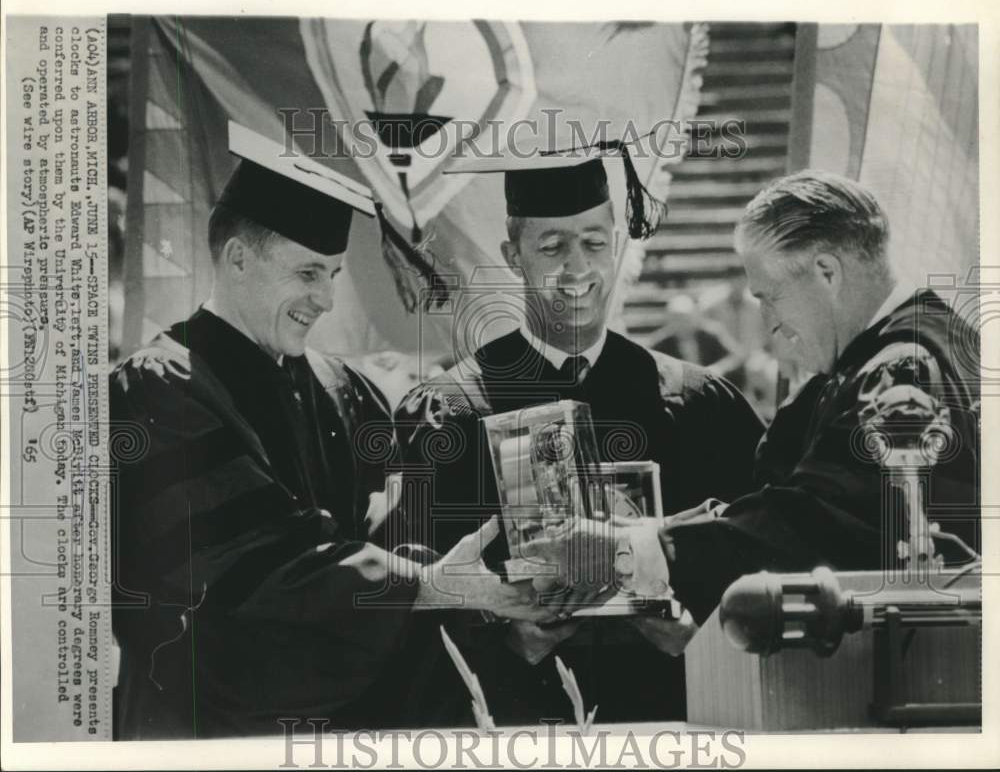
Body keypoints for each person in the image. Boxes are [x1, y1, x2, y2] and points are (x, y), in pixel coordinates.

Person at [109, 135, 583, 738]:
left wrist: (494, 614)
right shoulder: (160, 387)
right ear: (236, 259)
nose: (326, 300)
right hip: (206, 727)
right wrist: (432, 585)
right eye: (308, 272)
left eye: (332, 274)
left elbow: (385, 549)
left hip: (344, 726)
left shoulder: (341, 387)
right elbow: (253, 567)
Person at [393, 152, 767, 724]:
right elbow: (403, 595)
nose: (577, 268)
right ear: (512, 256)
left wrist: (695, 631)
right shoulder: (448, 411)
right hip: (510, 731)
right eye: (552, 247)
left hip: (673, 725)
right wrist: (509, 641)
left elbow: (759, 563)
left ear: (618, 245)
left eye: (594, 243)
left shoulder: (699, 405)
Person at [647, 170, 981, 623]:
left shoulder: (901, 370)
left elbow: (814, 523)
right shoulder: (935, 342)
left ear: (826, 272)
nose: (768, 323)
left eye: (771, 297)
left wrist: (655, 546)